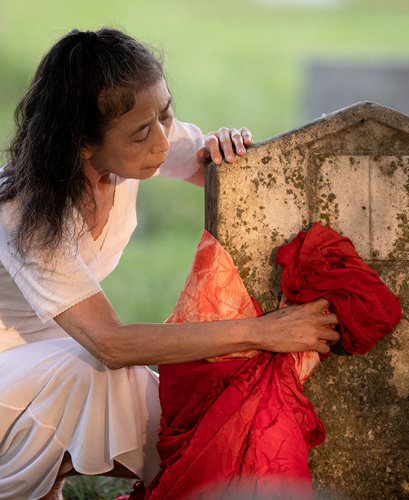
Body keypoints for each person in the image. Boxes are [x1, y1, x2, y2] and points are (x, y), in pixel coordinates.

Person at [0, 28, 340, 500]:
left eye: (166, 113)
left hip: (66, 348)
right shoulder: (27, 214)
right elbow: (111, 344)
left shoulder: (136, 138)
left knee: (201, 430)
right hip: (16, 366)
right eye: (143, 134)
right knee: (94, 373)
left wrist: (231, 152)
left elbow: (231, 178)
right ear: (81, 144)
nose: (163, 142)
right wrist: (263, 331)